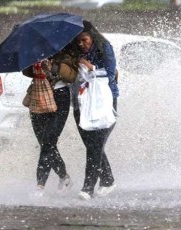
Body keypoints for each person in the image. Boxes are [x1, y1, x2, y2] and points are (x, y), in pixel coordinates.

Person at [72, 20, 119, 200]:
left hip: (104, 101)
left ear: (92, 36)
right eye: (78, 42)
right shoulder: (74, 54)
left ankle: (87, 188)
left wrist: (92, 68)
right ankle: (107, 180)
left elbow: (111, 74)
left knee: (95, 145)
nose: (81, 44)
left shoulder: (104, 47)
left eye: (84, 40)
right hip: (81, 102)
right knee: (92, 145)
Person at [22, 59, 74, 197]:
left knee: (48, 141)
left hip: (60, 96)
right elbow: (25, 71)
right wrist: (33, 65)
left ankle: (40, 186)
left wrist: (53, 68)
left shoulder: (64, 48)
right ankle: (64, 177)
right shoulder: (33, 51)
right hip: (38, 95)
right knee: (44, 143)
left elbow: (73, 75)